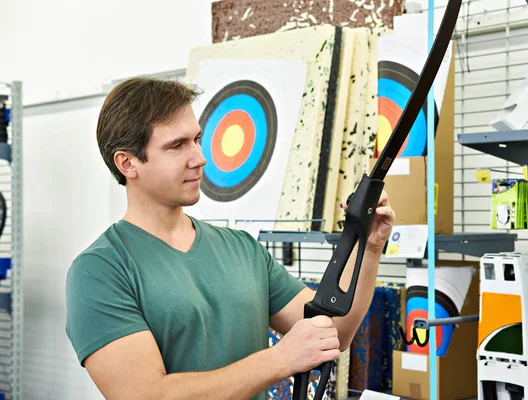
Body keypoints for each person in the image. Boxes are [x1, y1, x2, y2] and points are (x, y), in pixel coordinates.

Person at [65, 77, 395, 400]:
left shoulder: (242, 249)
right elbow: (147, 395)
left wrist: (368, 247)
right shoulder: (100, 271)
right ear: (128, 163)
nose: (199, 158)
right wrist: (279, 360)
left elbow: (332, 333)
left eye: (196, 139)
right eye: (177, 146)